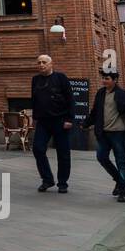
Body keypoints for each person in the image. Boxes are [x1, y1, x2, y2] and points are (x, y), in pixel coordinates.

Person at [89, 70, 125, 202]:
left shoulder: (123, 94)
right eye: (103, 78)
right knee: (101, 157)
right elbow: (95, 112)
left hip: (118, 133)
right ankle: (119, 180)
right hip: (103, 133)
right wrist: (86, 123)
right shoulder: (100, 93)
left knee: (121, 161)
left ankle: (123, 190)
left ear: (115, 80)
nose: (104, 81)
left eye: (107, 78)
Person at [30, 54, 75, 193]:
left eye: (44, 62)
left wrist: (69, 119)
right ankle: (47, 179)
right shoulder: (35, 80)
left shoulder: (60, 78)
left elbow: (70, 99)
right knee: (38, 149)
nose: (41, 65)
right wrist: (34, 117)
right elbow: (34, 99)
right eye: (39, 62)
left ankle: (63, 183)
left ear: (51, 64)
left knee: (63, 153)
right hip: (43, 122)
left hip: (60, 121)